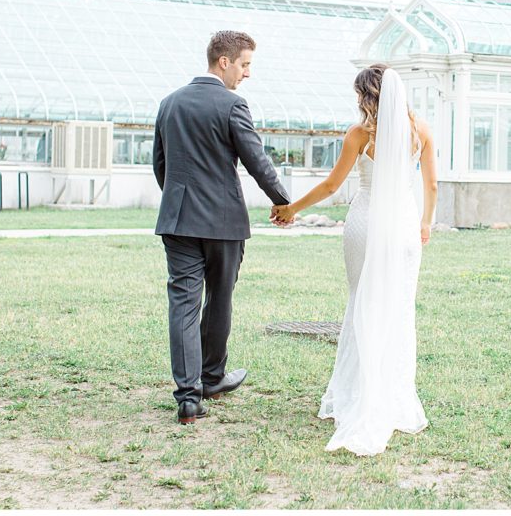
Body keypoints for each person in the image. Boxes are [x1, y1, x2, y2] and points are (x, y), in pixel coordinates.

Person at [272, 64, 437, 455]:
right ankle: (394, 399)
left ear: (367, 96)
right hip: (404, 228)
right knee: (398, 310)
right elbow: (430, 184)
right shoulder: (420, 131)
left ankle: (358, 394)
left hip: (365, 224)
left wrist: (291, 208)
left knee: (361, 304)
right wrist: (426, 223)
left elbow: (332, 185)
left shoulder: (360, 134)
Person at [153, 30, 292, 425]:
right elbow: (256, 160)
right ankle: (212, 377)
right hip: (223, 222)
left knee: (183, 303)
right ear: (224, 62)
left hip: (178, 220)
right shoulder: (233, 105)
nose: (247, 74)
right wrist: (283, 201)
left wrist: (181, 202)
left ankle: (188, 398)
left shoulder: (169, 103)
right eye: (245, 64)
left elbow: (160, 165)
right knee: (219, 299)